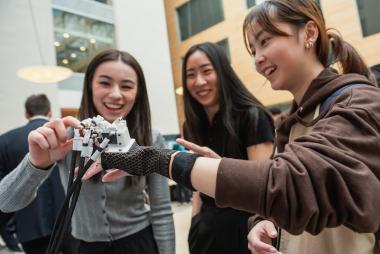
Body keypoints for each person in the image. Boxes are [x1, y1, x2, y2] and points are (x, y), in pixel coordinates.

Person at [80, 0, 380, 253]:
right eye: (252, 50)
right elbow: (288, 201)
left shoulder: (356, 101)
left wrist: (159, 159)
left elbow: (289, 183)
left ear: (309, 33)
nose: (258, 60)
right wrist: (266, 222)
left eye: (265, 42)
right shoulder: (296, 120)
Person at [0, 49, 175, 254]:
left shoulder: (150, 138)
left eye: (126, 86)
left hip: (140, 243)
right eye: (105, 83)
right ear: (90, 86)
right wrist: (35, 164)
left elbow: (161, 210)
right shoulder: (67, 138)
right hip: (85, 247)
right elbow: (6, 202)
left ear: (137, 93)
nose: (116, 94)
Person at [176, 42, 274, 254]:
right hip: (205, 230)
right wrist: (195, 219)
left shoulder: (252, 116)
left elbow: (262, 188)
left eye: (206, 71)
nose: (199, 81)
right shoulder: (191, 123)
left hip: (244, 229)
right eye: (190, 74)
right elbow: (197, 182)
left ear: (221, 71)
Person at [0, 94, 78, 254]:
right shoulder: (68, 136)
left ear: (27, 114)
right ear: (50, 112)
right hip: (71, 223)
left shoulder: (5, 141)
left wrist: (8, 237)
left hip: (30, 228)